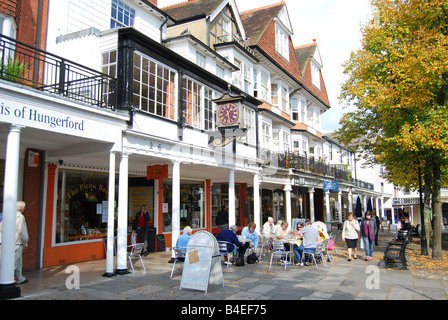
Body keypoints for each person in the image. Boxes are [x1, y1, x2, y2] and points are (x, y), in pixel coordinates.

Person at [0, 201, 29, 284]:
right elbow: (22, 232)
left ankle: (20, 278)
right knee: (15, 262)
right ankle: (7, 280)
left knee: (19, 261)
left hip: (7, 242)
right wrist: (25, 242)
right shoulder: (20, 217)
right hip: (17, 242)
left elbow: (1, 227)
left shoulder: (8, 215)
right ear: (22, 208)